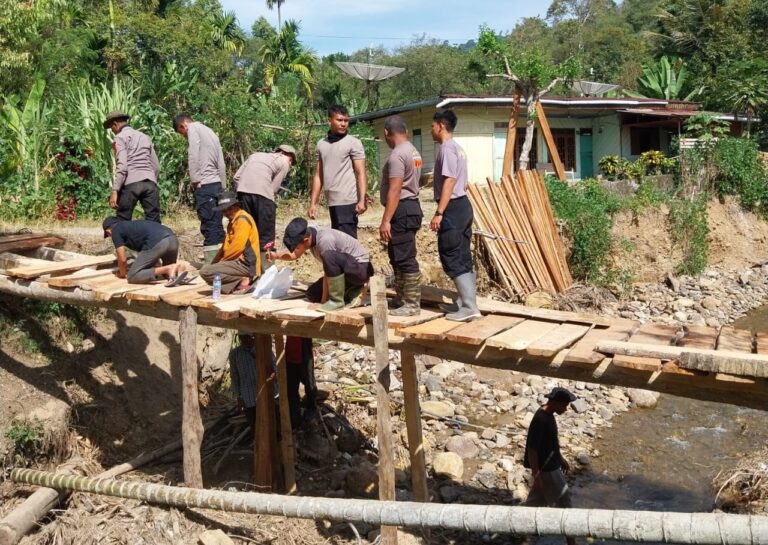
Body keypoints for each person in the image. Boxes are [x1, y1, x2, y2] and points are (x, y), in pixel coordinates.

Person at [429, 110, 481, 322]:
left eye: (433, 125)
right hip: (463, 206)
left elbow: (449, 181)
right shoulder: (458, 149)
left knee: (450, 253)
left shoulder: (448, 149)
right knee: (462, 254)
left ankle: (470, 306)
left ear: (440, 125)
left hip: (452, 208)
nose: (431, 130)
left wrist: (439, 212)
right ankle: (464, 302)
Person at [270, 217, 373, 313]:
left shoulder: (325, 240)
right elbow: (294, 255)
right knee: (312, 294)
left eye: (297, 247)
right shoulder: (309, 234)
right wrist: (276, 255)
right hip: (346, 272)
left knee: (329, 256)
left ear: (306, 240)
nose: (297, 249)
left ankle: (337, 301)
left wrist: (323, 303)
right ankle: (352, 291)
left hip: (360, 271)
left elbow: (328, 272)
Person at [379, 115, 423, 317]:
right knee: (396, 255)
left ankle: (412, 304)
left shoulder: (397, 155)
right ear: (405, 131)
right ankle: (401, 298)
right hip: (411, 207)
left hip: (402, 209)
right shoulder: (413, 151)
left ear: (387, 133)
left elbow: (395, 189)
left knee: (405, 258)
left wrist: (386, 220)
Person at [524, 386, 577, 545]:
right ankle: (572, 543)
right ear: (554, 402)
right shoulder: (541, 419)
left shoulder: (549, 415)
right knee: (565, 504)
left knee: (535, 502)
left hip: (551, 464)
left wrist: (560, 457)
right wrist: (537, 475)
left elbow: (550, 442)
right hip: (547, 470)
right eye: (565, 406)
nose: (566, 409)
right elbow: (532, 450)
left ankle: (519, 527)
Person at [233, 144, 297, 270]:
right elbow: (273, 189)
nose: (290, 164)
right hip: (263, 197)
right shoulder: (283, 162)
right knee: (266, 235)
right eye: (291, 161)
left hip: (243, 193)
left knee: (247, 231)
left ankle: (247, 269)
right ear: (286, 155)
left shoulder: (254, 155)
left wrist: (245, 191)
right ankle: (266, 270)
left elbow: (236, 177)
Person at [308, 104, 367, 239]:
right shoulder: (322, 144)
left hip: (347, 201)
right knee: (338, 242)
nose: (343, 124)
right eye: (339, 120)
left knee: (348, 244)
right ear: (329, 121)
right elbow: (318, 175)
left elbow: (361, 172)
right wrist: (313, 203)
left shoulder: (353, 143)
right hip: (332, 202)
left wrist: (362, 200)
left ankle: (359, 261)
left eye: (346, 121)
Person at [173, 114, 227, 262]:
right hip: (216, 184)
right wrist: (223, 185)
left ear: (183, 126)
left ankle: (211, 264)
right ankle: (222, 261)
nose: (184, 136)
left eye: (182, 133)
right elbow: (221, 163)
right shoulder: (211, 132)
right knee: (217, 224)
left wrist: (195, 179)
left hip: (205, 185)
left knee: (209, 225)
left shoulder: (193, 129)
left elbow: (193, 154)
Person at [104, 111, 161, 223]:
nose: (112, 131)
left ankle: (124, 240)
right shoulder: (145, 137)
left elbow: (123, 166)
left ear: (115, 124)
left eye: (111, 127)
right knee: (153, 220)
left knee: (123, 220)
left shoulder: (120, 138)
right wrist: (152, 181)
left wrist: (115, 190)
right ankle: (156, 239)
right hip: (150, 182)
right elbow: (156, 166)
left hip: (131, 184)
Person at [199, 192, 261, 294]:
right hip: (238, 263)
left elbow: (237, 247)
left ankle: (243, 281)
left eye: (229, 209)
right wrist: (214, 264)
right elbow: (225, 247)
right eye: (224, 210)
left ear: (236, 206)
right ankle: (240, 282)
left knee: (205, 272)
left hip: (246, 264)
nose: (227, 212)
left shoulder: (242, 220)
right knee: (210, 272)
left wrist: (221, 262)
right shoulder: (232, 222)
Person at [102, 216, 185, 284]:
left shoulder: (116, 230)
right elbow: (150, 255)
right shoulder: (131, 226)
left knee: (132, 276)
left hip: (159, 242)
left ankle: (169, 268)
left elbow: (122, 259)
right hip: (173, 239)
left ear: (108, 231)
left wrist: (122, 274)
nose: (110, 236)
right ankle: (177, 271)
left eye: (108, 235)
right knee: (165, 274)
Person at [285, 336, 318, 429]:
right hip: (290, 357)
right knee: (291, 389)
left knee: (310, 385)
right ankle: (295, 418)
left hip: (305, 356)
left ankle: (311, 409)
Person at [230, 332, 257, 436]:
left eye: (250, 336)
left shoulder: (262, 349)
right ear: (241, 338)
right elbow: (235, 376)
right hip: (248, 399)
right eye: (244, 337)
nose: (248, 339)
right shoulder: (235, 354)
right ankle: (258, 447)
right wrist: (239, 397)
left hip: (265, 397)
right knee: (254, 427)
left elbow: (274, 368)